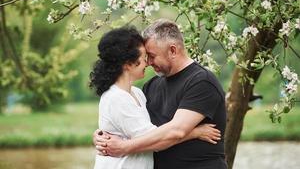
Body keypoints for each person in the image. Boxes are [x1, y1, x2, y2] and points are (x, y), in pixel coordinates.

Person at [90, 26, 221, 169]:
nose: (149, 63)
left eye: (151, 56)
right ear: (127, 64)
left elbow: (174, 132)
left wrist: (123, 146)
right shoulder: (150, 86)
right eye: (145, 58)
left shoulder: (200, 82)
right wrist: (102, 135)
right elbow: (147, 133)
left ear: (172, 50)